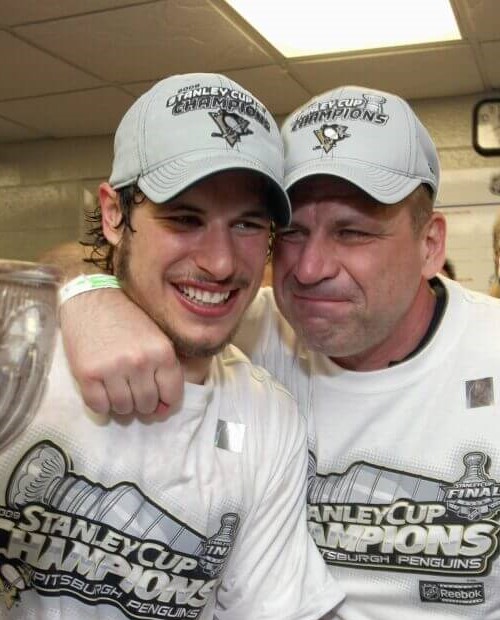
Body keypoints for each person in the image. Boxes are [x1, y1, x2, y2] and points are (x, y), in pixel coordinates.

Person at [60, 84, 500, 618]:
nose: (310, 270)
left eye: (353, 232)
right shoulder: (244, 331)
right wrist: (88, 295)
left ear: (430, 246)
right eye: (290, 232)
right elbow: (112, 265)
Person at [0, 73, 344, 619]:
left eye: (248, 225)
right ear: (114, 215)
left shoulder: (267, 415)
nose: (222, 262)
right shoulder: (20, 350)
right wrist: (79, 289)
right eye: (185, 218)